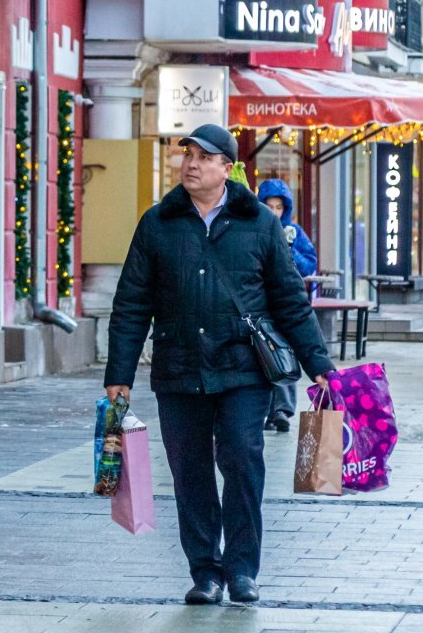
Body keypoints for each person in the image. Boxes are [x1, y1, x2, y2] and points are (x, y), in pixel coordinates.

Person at [104, 123, 334, 606]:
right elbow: (131, 304)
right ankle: (206, 571)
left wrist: (319, 365)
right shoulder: (158, 223)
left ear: (226, 169)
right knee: (189, 472)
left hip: (244, 369)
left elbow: (290, 300)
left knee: (242, 459)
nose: (191, 163)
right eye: (187, 154)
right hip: (179, 368)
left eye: (204, 157)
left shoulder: (259, 223)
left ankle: (243, 569)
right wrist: (118, 377)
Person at [256, 178, 319, 433]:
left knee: (284, 352)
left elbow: (309, 264)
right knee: (261, 354)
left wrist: (289, 249)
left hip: (285, 303)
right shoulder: (252, 230)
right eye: (269, 206)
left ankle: (282, 410)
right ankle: (263, 410)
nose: (274, 212)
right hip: (259, 304)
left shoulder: (294, 232)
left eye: (278, 207)